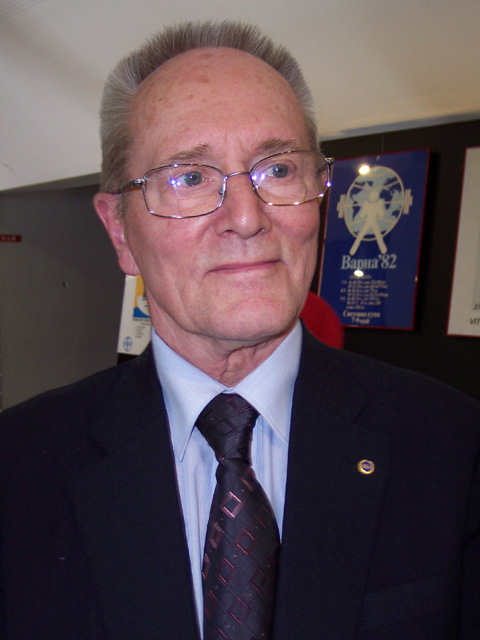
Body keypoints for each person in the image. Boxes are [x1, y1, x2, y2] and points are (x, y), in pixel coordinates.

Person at [1, 21, 479, 640]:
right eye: (190, 177)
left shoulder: (453, 447)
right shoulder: (18, 467)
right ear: (119, 231)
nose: (248, 217)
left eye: (277, 169)